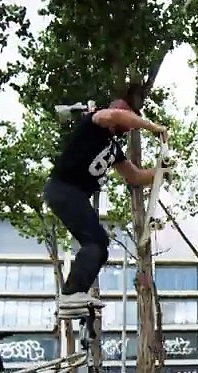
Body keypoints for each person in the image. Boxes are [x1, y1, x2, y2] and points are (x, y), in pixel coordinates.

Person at [44, 96, 168, 318]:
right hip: (62, 189)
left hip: (76, 196)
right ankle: (71, 293)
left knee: (99, 246)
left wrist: (162, 172)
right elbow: (115, 116)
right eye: (126, 123)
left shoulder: (114, 148)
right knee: (96, 241)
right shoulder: (94, 122)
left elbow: (135, 177)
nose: (127, 128)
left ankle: (75, 295)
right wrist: (153, 127)